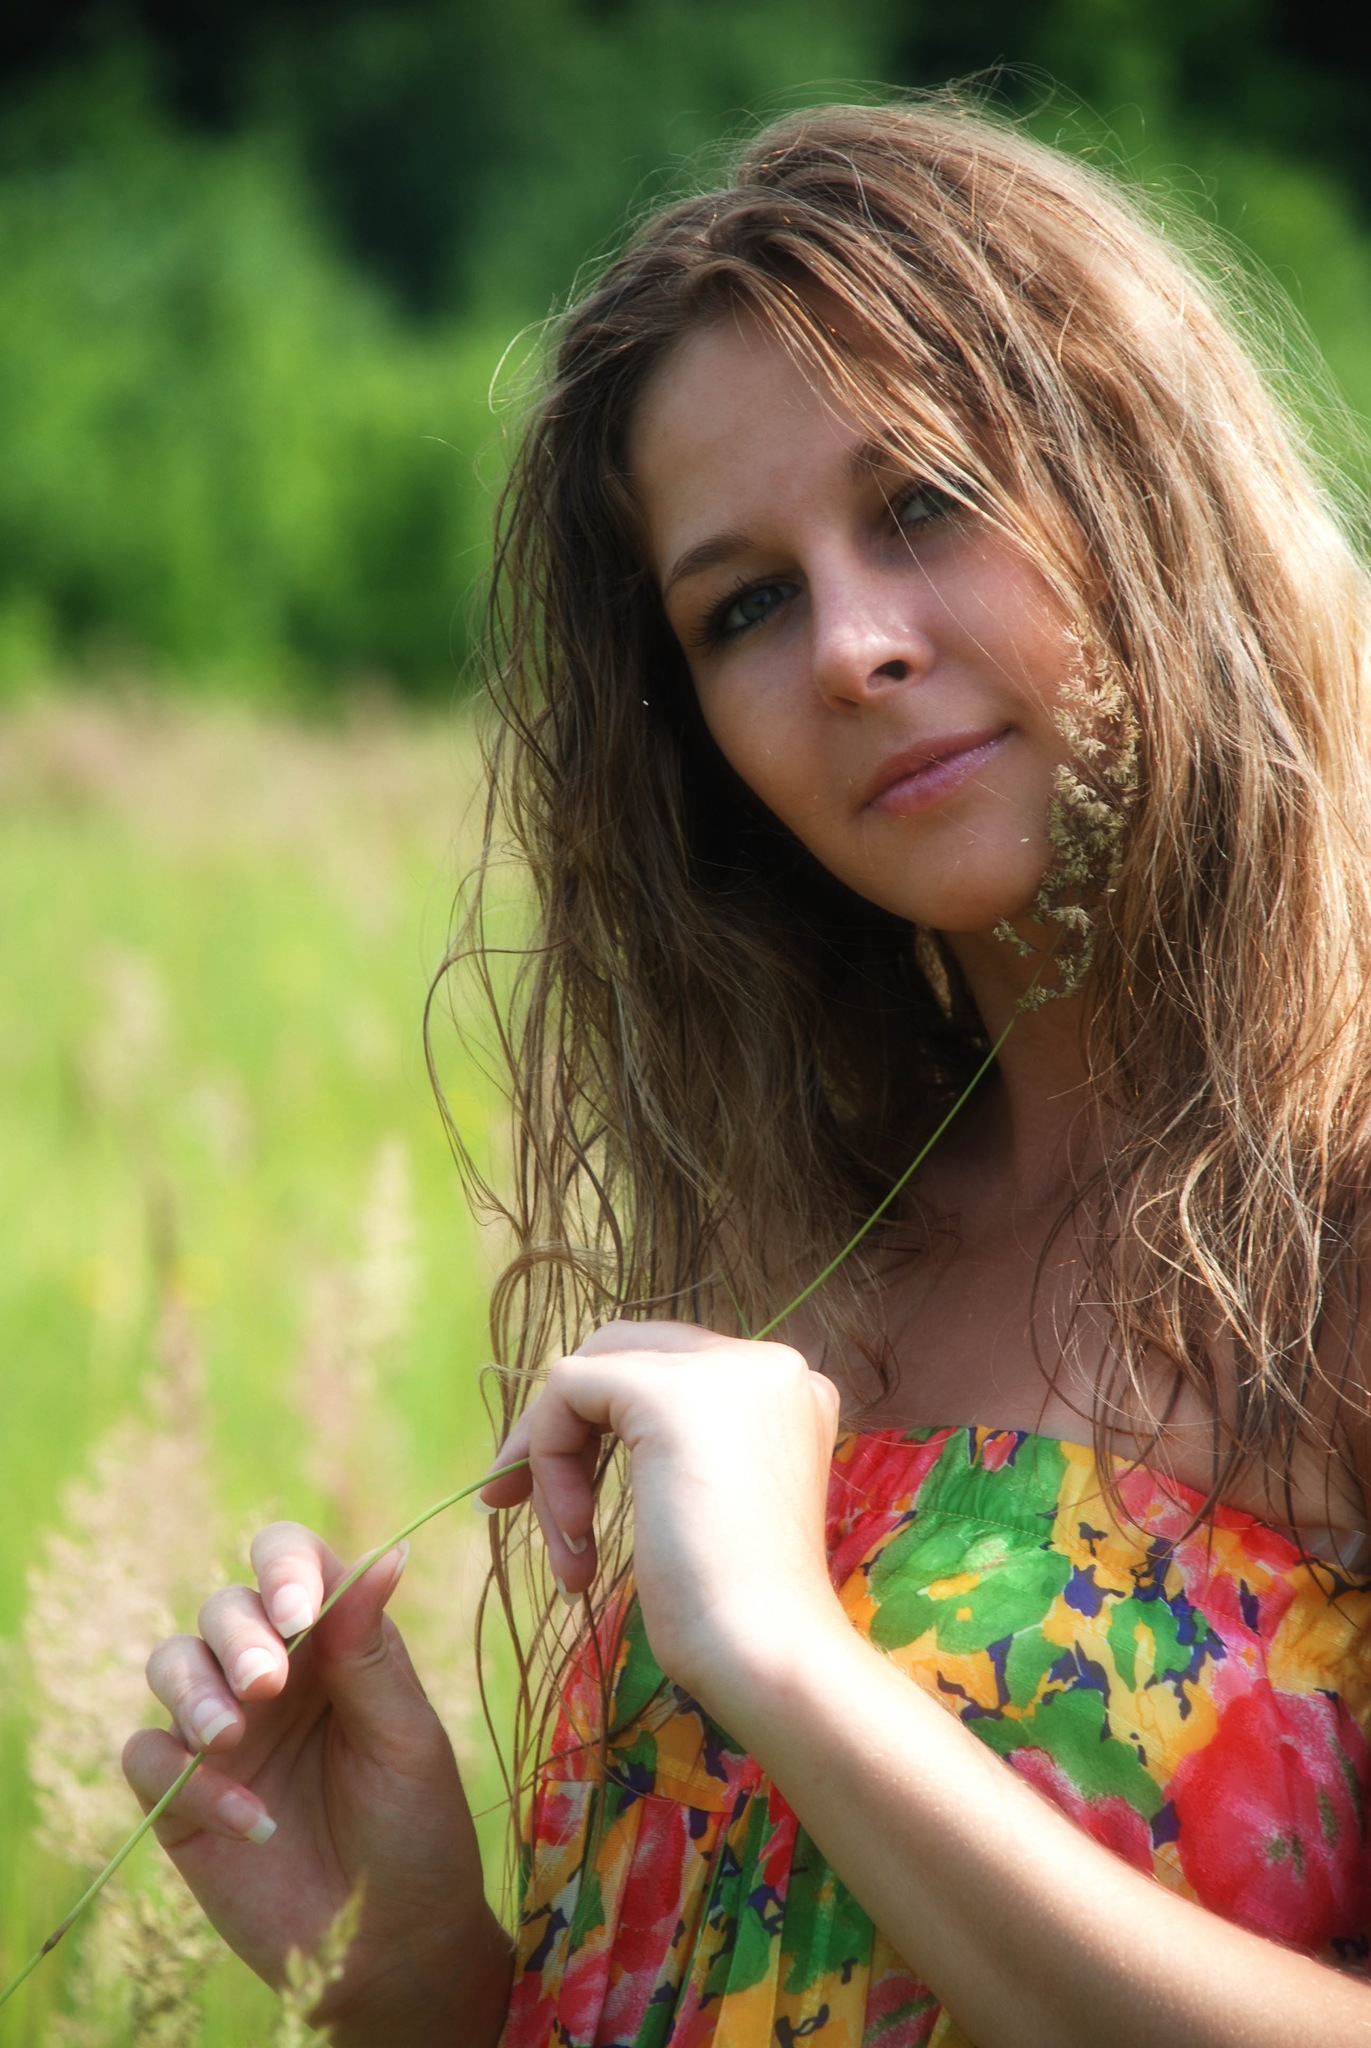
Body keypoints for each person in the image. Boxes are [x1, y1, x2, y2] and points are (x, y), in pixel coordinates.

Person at [123, 98, 1371, 2047]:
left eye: (924, 502)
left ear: (1147, 485)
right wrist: (413, 1967)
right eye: (743, 606)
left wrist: (785, 1657)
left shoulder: (1337, 1245)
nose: (851, 648)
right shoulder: (811, 1257)